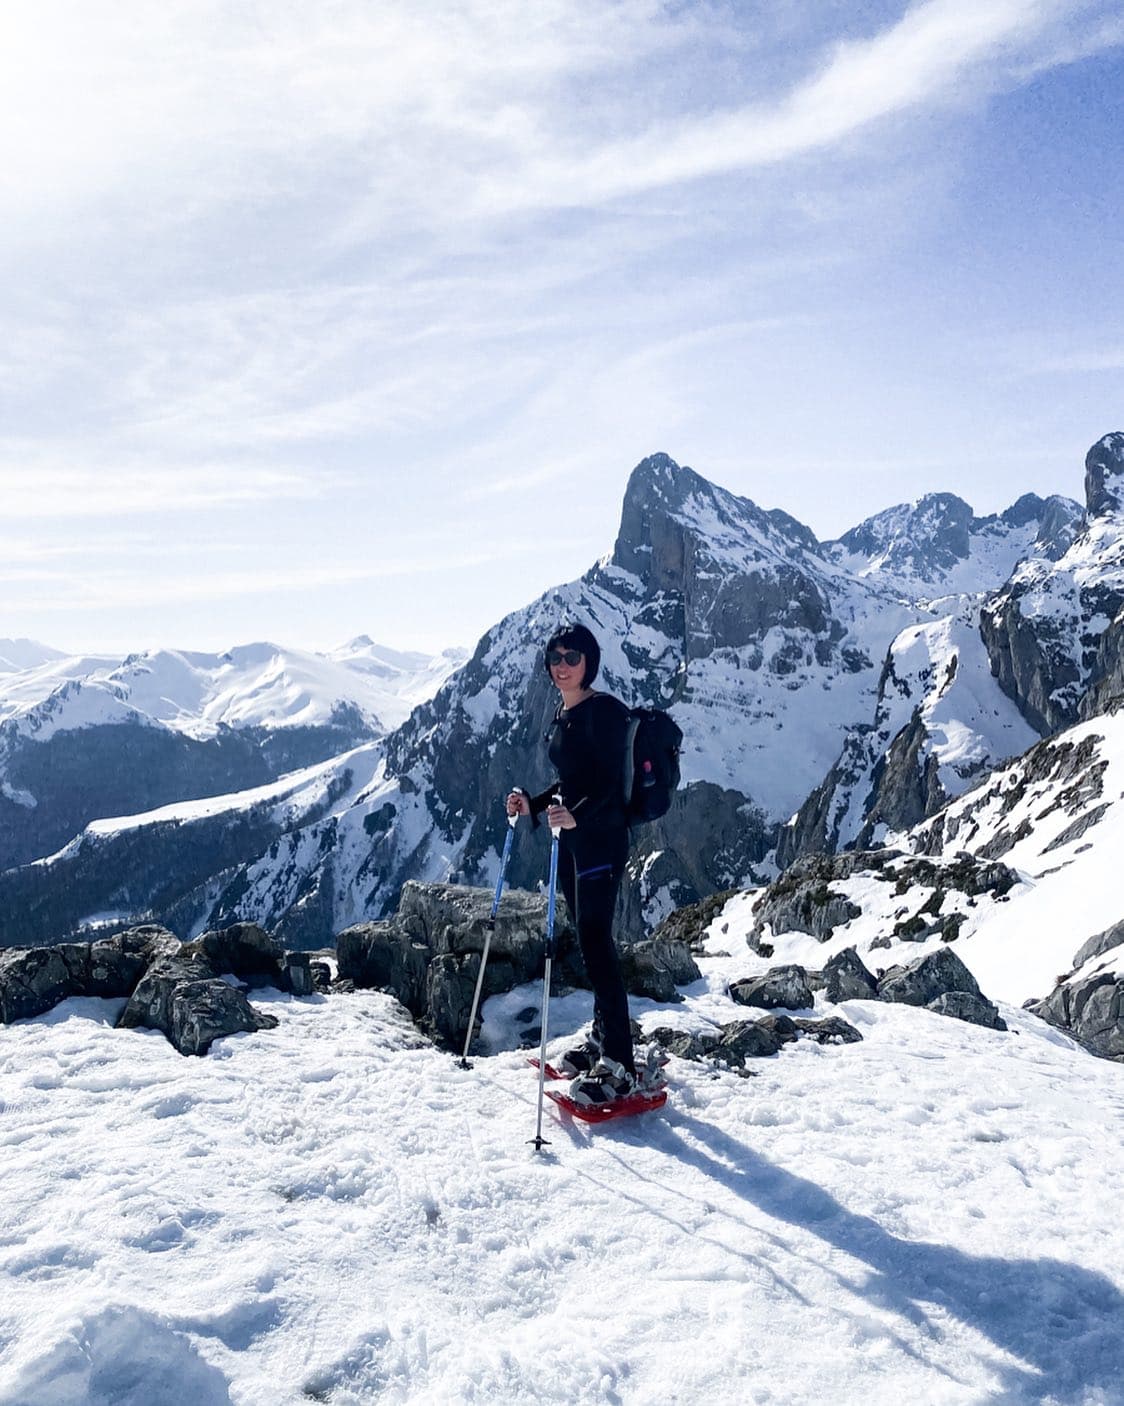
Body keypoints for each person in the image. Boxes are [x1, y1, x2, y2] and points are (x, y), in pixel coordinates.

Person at [506, 621, 640, 1107]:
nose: (562, 666)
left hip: (601, 843)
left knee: (597, 944)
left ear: (590, 662)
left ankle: (621, 1063)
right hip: (574, 843)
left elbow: (610, 786)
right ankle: (603, 1041)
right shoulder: (565, 712)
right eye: (555, 657)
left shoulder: (604, 712)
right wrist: (535, 804)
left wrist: (575, 814)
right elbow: (572, 780)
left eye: (572, 657)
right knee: (590, 943)